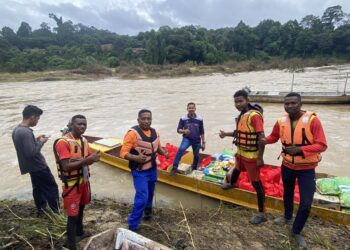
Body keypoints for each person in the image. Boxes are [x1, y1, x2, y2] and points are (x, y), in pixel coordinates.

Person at [261, 92, 327, 249]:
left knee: (305, 203)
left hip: (307, 168)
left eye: (293, 103)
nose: (290, 106)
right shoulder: (281, 120)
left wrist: (299, 150)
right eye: (287, 103)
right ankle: (287, 217)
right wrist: (264, 140)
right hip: (287, 166)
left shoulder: (313, 120)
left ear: (300, 104)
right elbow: (274, 137)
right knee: (288, 193)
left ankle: (296, 231)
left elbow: (322, 145)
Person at [219, 90, 267, 224]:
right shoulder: (241, 115)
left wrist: (260, 158)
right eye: (236, 102)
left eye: (241, 101)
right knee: (237, 168)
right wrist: (225, 134)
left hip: (251, 154)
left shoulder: (254, 116)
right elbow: (239, 133)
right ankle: (232, 184)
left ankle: (262, 213)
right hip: (241, 151)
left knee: (256, 183)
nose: (238, 104)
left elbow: (261, 138)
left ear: (247, 100)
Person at [53, 115, 100, 250]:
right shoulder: (63, 142)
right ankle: (71, 245)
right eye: (79, 124)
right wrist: (87, 160)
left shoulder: (84, 140)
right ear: (71, 125)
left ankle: (80, 232)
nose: (82, 127)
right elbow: (66, 166)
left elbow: (88, 156)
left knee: (82, 208)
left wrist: (92, 158)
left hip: (83, 182)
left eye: (84, 124)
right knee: (72, 215)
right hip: (71, 185)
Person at [120, 109, 169, 232]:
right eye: (144, 119)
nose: (146, 121)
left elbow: (157, 148)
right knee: (142, 197)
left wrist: (164, 153)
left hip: (152, 168)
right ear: (138, 120)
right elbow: (123, 153)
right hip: (139, 171)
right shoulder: (132, 134)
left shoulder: (155, 132)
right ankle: (133, 225)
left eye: (149, 119)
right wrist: (136, 157)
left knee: (151, 193)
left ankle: (148, 212)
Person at [12, 105, 59, 215]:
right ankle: (56, 211)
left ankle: (41, 209)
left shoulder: (17, 130)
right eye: (38, 118)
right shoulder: (26, 132)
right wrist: (41, 141)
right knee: (52, 187)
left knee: (38, 188)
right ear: (32, 117)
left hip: (31, 167)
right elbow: (31, 153)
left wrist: (36, 140)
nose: (37, 121)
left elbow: (25, 148)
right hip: (38, 166)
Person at [170, 102, 205, 176]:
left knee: (196, 155)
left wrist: (203, 143)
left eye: (192, 108)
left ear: (195, 109)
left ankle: (194, 168)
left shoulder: (199, 119)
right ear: (187, 109)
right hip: (187, 139)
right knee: (180, 150)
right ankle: (174, 168)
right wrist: (184, 131)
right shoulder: (183, 118)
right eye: (189, 108)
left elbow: (202, 132)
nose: (191, 109)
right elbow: (178, 130)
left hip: (197, 140)